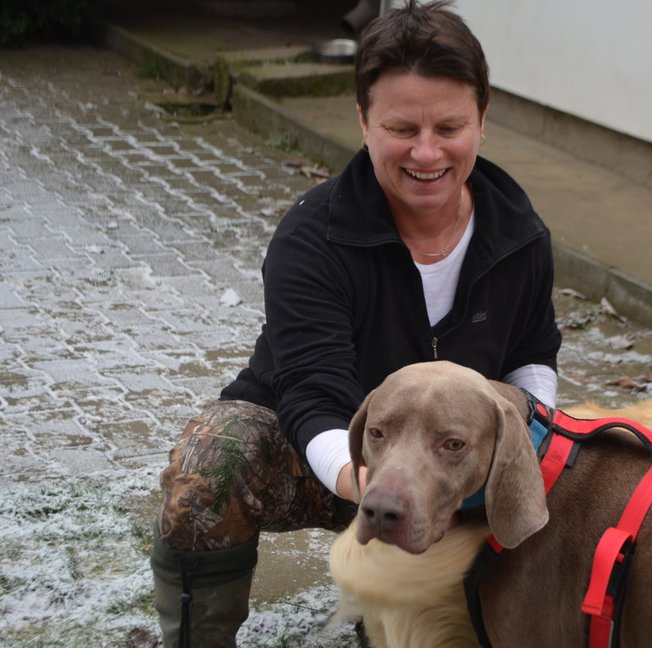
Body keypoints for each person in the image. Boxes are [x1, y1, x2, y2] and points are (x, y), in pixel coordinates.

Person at [149, 1, 562, 645]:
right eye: (402, 128)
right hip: (326, 451)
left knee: (555, 476)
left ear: (482, 121)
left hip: (446, 463)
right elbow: (312, 396)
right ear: (364, 123)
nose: (427, 153)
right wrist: (385, 494)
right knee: (212, 460)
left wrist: (516, 458)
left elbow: (532, 357)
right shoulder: (312, 238)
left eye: (449, 127)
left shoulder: (521, 235)